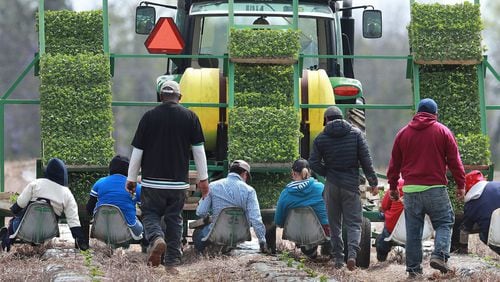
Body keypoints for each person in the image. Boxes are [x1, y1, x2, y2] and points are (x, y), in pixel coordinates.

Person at [126, 78, 209, 271]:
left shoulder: (148, 117)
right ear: (179, 97)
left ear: (161, 96)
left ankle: (156, 238)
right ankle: (172, 262)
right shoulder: (190, 117)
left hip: (152, 183)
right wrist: (203, 180)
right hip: (178, 184)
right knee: (174, 219)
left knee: (150, 214)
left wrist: (131, 179)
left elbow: (137, 151)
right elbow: (199, 151)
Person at [386, 98, 465, 278]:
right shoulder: (443, 131)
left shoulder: (403, 134)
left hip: (411, 190)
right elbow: (455, 161)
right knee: (445, 221)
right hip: (435, 188)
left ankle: (413, 271)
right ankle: (440, 255)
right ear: (435, 114)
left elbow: (394, 164)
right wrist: (461, 184)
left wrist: (392, 187)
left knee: (413, 231)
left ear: (417, 114)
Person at [309, 106, 379, 271]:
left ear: (326, 120)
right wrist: (373, 182)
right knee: (354, 223)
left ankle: (339, 260)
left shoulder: (321, 138)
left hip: (332, 185)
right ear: (342, 117)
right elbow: (366, 161)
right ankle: (352, 255)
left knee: (335, 225)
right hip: (350, 185)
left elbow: (313, 163)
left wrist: (327, 172)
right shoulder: (356, 135)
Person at [0, 158, 88, 252]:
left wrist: (14, 210)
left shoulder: (36, 184)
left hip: (25, 229)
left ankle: (8, 239)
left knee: (15, 220)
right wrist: (80, 239)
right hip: (48, 232)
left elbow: (20, 204)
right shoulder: (67, 193)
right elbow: (73, 219)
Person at [193, 160, 267, 254]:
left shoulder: (213, 186)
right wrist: (262, 241)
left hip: (217, 234)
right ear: (245, 174)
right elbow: (256, 218)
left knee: (198, 233)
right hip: (240, 235)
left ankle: (209, 251)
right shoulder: (250, 191)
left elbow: (201, 212)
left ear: (230, 171)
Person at [274, 158, 330, 259]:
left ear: (293, 173)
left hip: (296, 234)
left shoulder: (286, 193)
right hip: (322, 232)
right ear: (309, 172)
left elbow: (279, 220)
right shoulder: (321, 187)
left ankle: (310, 252)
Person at [86, 155, 143, 240]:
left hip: (101, 229)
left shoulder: (100, 182)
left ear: (110, 168)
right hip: (127, 230)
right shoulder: (136, 186)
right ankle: (147, 247)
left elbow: (89, 208)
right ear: (129, 170)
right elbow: (145, 209)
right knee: (142, 226)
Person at [461, 170, 500, 255]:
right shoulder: (496, 185)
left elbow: (464, 229)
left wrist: (463, 248)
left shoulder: (470, 205)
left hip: (496, 238)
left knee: (483, 235)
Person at [376, 178, 404, 262]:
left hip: (393, 227)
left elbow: (384, 206)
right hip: (412, 228)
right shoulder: (421, 185)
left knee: (383, 217)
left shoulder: (398, 184)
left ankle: (381, 257)